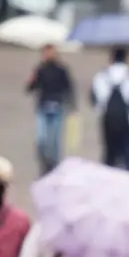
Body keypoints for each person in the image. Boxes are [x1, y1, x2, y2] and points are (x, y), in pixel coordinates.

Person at [90, 46, 129, 174]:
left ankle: (107, 185)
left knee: (109, 157)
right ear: (126, 58)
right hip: (127, 122)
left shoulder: (101, 75)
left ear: (111, 57)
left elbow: (93, 99)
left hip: (108, 121)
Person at [25, 43, 75, 174]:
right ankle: (44, 162)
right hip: (43, 107)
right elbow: (30, 89)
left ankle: (54, 166)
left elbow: (68, 88)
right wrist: (32, 80)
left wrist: (72, 105)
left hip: (57, 106)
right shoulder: (40, 70)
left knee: (54, 140)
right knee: (41, 139)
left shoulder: (62, 70)